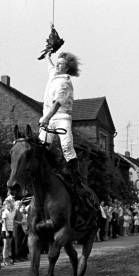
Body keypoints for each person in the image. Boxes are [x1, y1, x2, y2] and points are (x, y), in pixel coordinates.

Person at [39, 51, 93, 219]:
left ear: (67, 68)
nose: (57, 65)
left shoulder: (65, 83)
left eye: (61, 64)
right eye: (58, 62)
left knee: (67, 146)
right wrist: (48, 53)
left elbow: (57, 103)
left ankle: (76, 179)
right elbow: (49, 65)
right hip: (47, 118)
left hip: (61, 117)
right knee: (41, 147)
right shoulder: (55, 73)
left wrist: (46, 118)